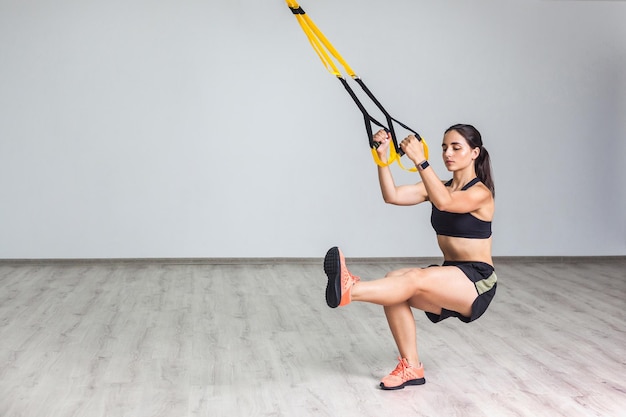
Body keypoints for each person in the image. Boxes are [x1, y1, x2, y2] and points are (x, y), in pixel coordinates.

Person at [323, 124, 497, 390]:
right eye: (443, 147)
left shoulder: (480, 193)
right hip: (450, 274)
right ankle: (412, 367)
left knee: (412, 278)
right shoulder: (438, 186)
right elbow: (391, 196)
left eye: (456, 147)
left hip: (477, 280)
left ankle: (351, 289)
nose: (447, 153)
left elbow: (446, 203)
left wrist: (420, 160)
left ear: (475, 153)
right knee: (395, 282)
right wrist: (383, 161)